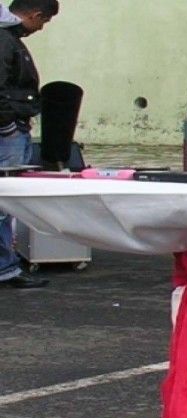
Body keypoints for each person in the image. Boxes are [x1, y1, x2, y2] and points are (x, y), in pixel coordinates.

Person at [0, 0, 58, 289]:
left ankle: (6, 265)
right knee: (4, 200)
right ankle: (6, 268)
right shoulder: (5, 40)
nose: (41, 28)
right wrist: (8, 125)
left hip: (11, 127)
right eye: (43, 21)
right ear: (35, 15)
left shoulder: (8, 39)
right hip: (7, 132)